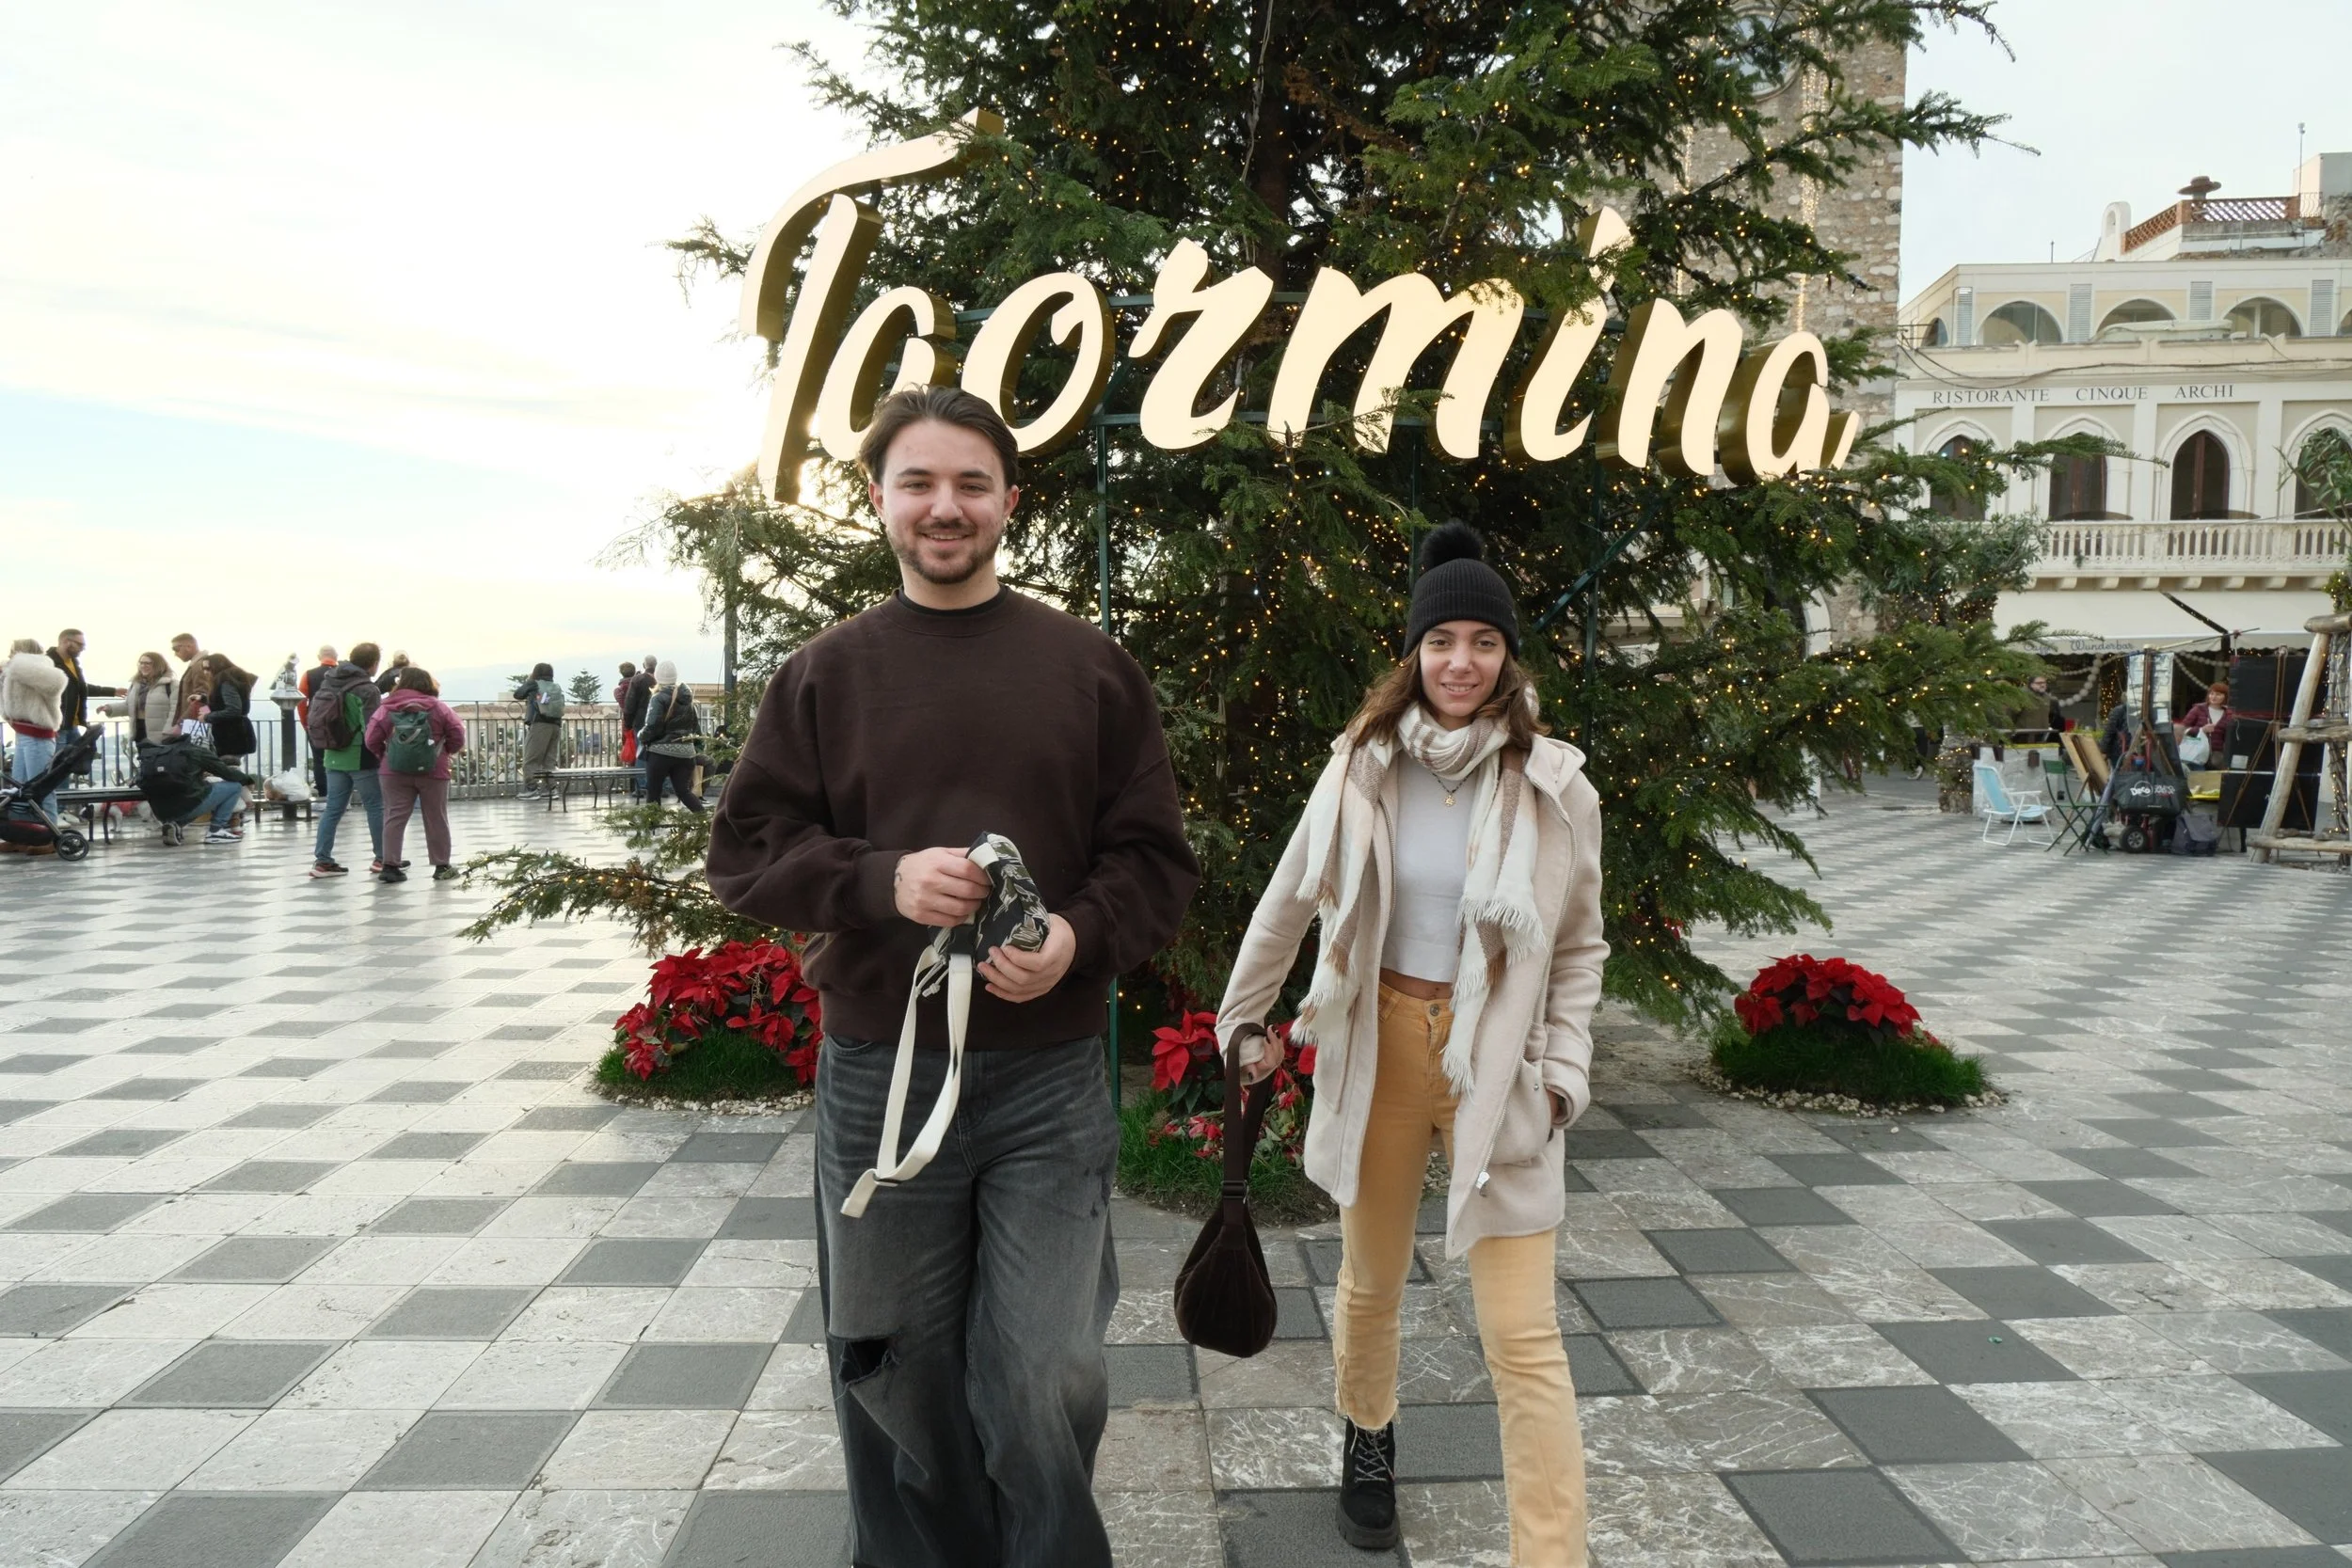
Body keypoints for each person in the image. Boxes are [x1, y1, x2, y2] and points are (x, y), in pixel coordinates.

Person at [707, 386, 1199, 1568]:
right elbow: (747, 853)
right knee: (891, 1361)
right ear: (879, 499)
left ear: (1008, 502)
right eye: (918, 482)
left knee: (1044, 1366)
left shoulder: (1088, 668)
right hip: (881, 1077)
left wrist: (1076, 937)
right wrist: (881, 879)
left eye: (971, 483)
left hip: (1048, 1081)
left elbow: (1153, 860)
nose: (945, 506)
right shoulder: (824, 675)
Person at [1216, 520, 1607, 1561]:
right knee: (1370, 1281)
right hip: (1381, 1044)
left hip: (1500, 1065)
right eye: (1442, 642)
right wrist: (1243, 1016)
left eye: (1483, 642)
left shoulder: (1556, 786)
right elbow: (1288, 898)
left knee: (1524, 1333)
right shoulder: (1361, 767)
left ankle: (1551, 1553)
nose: (1460, 662)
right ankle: (1369, 1437)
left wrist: (1563, 1077)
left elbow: (1579, 946)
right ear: (1414, 652)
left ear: (1506, 655)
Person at [364, 666, 465, 883]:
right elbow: (457, 733)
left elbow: (371, 738)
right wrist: (445, 752)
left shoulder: (386, 707)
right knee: (436, 817)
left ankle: (390, 866)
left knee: (394, 816)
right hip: (434, 770)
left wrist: (385, 755)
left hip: (393, 772)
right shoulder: (438, 707)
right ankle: (442, 866)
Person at [309, 642, 385, 878]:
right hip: (360, 755)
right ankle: (383, 858)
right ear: (374, 663)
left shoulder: (329, 681)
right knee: (375, 806)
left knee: (333, 808)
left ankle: (322, 860)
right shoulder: (367, 689)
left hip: (332, 754)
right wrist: (382, 753)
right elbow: (371, 727)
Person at [137, 730, 255, 846]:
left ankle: (175, 824)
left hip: (160, 812)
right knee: (234, 787)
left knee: (189, 797)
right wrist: (248, 780)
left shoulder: (157, 754)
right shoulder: (195, 750)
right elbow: (227, 773)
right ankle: (216, 831)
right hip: (187, 804)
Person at [4, 638, 71, 817]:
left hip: (38, 736)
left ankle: (50, 830)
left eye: (14, 651)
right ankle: (23, 830)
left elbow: (58, 682)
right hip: (23, 734)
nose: (10, 655)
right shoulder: (17, 672)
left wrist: (16, 667)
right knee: (19, 788)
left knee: (42, 789)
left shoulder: (36, 669)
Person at [47, 629, 120, 770]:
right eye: (80, 644)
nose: (83, 648)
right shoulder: (49, 663)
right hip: (58, 726)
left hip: (71, 724)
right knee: (58, 769)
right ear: (65, 641)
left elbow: (79, 688)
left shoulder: (72, 662)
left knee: (74, 763)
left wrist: (112, 691)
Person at [637, 660, 705, 812]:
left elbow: (652, 726)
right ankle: (706, 820)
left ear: (658, 677)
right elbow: (695, 727)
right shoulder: (688, 699)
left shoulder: (658, 698)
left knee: (654, 793)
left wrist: (641, 736)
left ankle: (652, 824)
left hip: (661, 753)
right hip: (686, 754)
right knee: (683, 791)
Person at [105, 652, 178, 747]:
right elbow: (129, 706)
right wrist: (109, 708)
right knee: (143, 756)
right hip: (139, 731)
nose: (143, 666)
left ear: (158, 665)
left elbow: (176, 710)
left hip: (162, 735)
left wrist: (168, 731)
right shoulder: (136, 684)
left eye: (148, 663)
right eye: (141, 663)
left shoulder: (171, 685)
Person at [199, 653, 259, 762]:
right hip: (235, 735)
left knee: (227, 766)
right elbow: (222, 702)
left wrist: (207, 717)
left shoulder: (226, 682)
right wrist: (202, 698)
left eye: (208, 668)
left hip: (231, 737)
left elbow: (233, 709)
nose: (205, 672)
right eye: (203, 669)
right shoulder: (231, 681)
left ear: (217, 666)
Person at [516, 661, 562, 798]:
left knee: (531, 758)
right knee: (549, 760)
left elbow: (518, 694)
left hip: (540, 724)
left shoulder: (534, 684)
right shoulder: (555, 686)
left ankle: (531, 789)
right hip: (556, 725)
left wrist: (530, 679)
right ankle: (550, 789)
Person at [299, 644, 339, 792]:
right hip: (340, 723)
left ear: (319, 657)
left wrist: (306, 723)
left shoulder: (309, 675)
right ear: (336, 657)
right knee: (341, 757)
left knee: (319, 759)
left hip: (316, 724)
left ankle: (323, 792)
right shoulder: (343, 674)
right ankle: (339, 791)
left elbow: (301, 702)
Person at [617, 659, 651, 795]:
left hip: (632, 722)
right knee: (647, 753)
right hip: (645, 720)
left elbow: (627, 706)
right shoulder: (642, 682)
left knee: (636, 754)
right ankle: (651, 785)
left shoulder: (620, 689)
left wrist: (628, 724)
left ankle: (638, 786)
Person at [169, 632, 212, 725]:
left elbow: (202, 699)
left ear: (189, 646)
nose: (175, 654)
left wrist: (181, 724)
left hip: (193, 723)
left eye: (176, 649)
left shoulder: (199, 666)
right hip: (193, 722)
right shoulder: (196, 665)